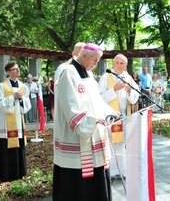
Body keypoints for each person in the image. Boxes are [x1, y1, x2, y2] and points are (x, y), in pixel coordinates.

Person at [53, 43, 119, 201]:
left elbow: (98, 102)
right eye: (95, 60)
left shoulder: (89, 76)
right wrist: (92, 121)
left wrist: (110, 112)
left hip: (95, 136)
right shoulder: (68, 73)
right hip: (75, 138)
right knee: (79, 186)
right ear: (84, 56)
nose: (95, 65)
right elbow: (70, 108)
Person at [98, 54, 140, 179]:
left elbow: (134, 98)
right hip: (111, 116)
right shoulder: (106, 77)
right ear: (113, 63)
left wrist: (129, 91)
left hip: (125, 115)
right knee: (111, 144)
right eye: (117, 62)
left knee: (122, 143)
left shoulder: (128, 78)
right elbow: (99, 97)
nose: (119, 65)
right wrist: (114, 89)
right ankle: (111, 172)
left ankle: (122, 171)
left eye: (122, 63)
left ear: (125, 65)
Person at [0, 61, 31, 181]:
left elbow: (27, 104)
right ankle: (5, 174)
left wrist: (21, 100)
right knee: (6, 147)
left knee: (18, 146)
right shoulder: (1, 86)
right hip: (6, 123)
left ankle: (20, 172)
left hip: (19, 122)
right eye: (14, 69)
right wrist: (12, 98)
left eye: (18, 69)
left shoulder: (23, 86)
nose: (18, 71)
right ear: (8, 72)